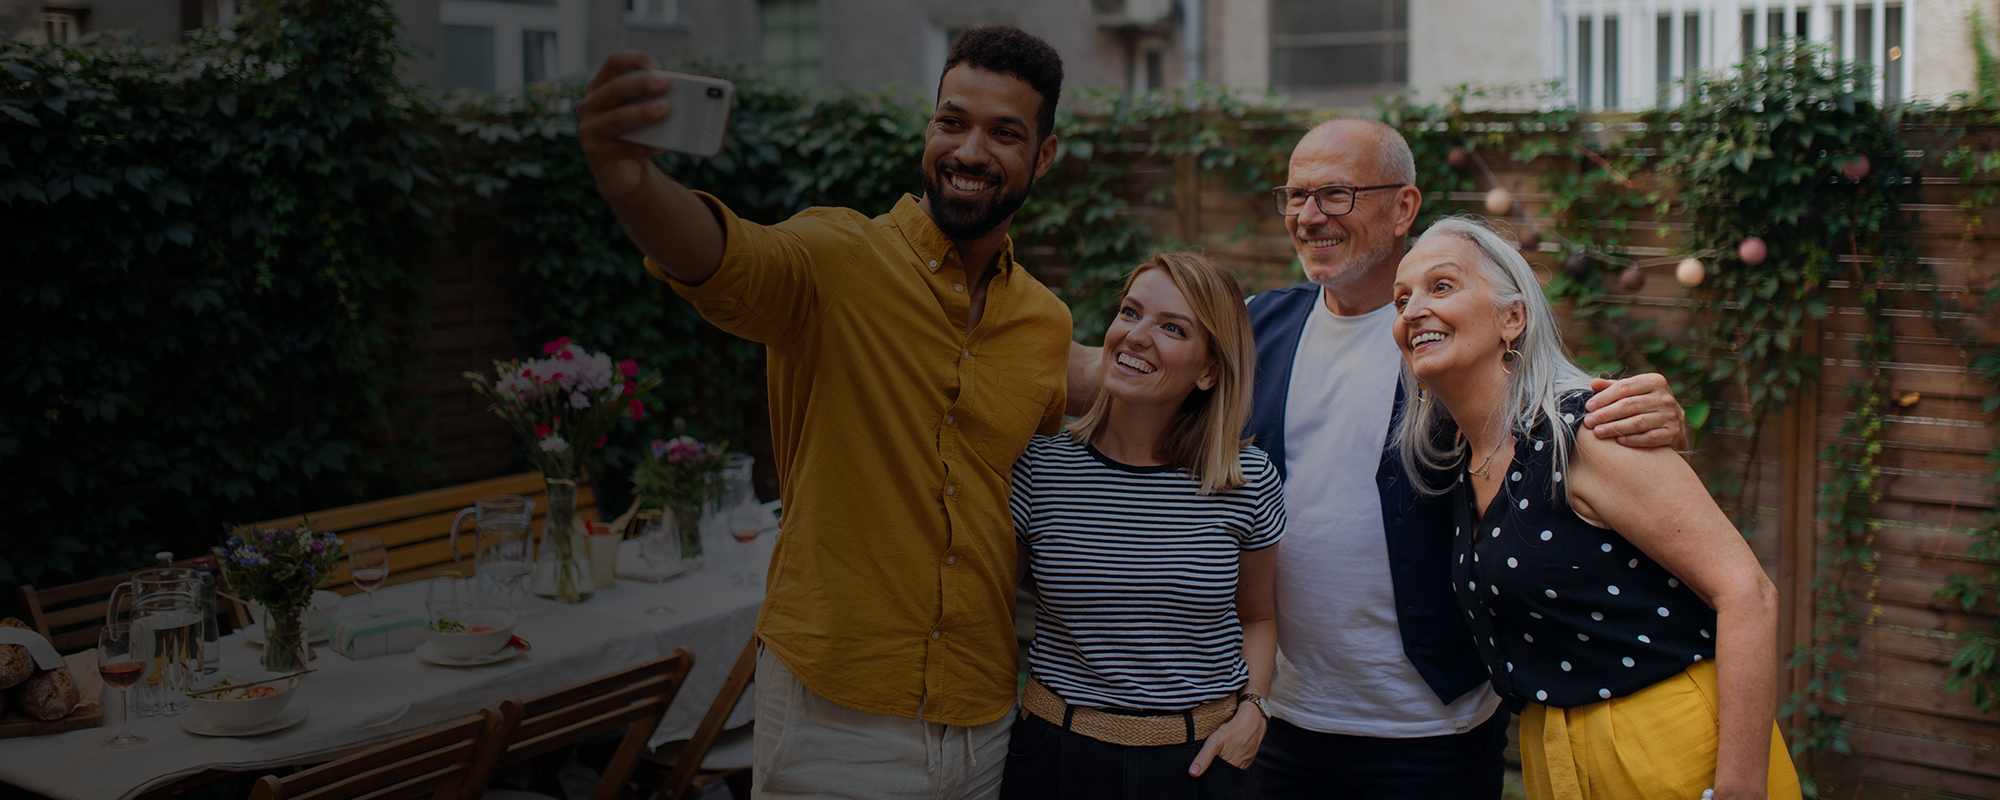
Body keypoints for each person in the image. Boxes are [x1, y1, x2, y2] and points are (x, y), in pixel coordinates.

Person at [1067, 119, 1688, 797]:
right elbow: (1130, 371)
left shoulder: (1450, 335)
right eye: (1295, 196)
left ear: (1404, 208)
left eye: (1336, 195)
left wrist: (1656, 410)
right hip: (1279, 717)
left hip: (1430, 729)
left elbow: (1557, 401)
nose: (1309, 217)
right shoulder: (1253, 326)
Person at [577, 27, 1071, 798]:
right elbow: (722, 257)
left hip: (981, 717)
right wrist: (630, 185)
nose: (970, 151)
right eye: (952, 122)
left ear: (1042, 157)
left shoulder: (1044, 325)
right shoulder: (834, 258)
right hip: (836, 718)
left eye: (1005, 132)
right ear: (928, 129)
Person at [1390, 216, 1799, 800]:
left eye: (1442, 286)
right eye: (1401, 300)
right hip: (1553, 750)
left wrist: (1740, 788)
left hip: (1668, 741)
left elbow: (1748, 593)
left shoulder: (1589, 430)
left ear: (1513, 317)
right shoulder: (1461, 455)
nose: (1412, 311)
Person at [1004, 253, 1281, 800]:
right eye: (1130, 313)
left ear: (1207, 371)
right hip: (1057, 759)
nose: (1135, 336)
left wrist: (1254, 711)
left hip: (1201, 765)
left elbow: (1260, 616)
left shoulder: (1246, 479)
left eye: (1172, 327)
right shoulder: (1039, 467)